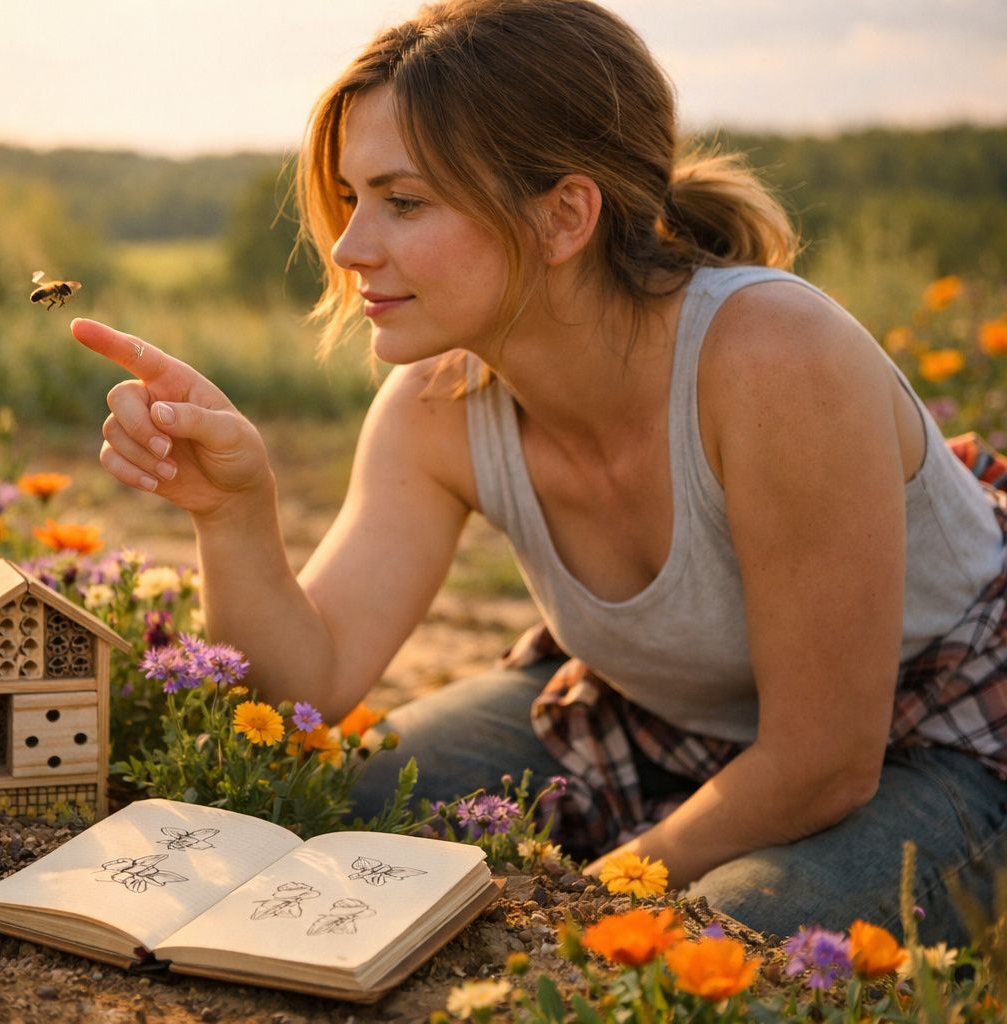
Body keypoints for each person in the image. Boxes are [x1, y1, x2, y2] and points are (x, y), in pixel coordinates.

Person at [70, 0, 1007, 946]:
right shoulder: (436, 405)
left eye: (403, 201)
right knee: (329, 810)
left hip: (938, 737)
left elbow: (822, 762)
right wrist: (233, 513)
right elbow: (298, 687)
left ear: (563, 217)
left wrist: (580, 905)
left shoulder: (776, 358)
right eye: (352, 198)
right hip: (643, 714)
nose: (351, 247)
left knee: (716, 949)